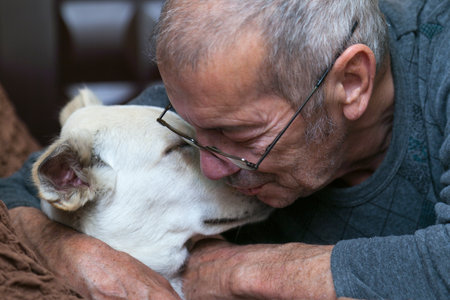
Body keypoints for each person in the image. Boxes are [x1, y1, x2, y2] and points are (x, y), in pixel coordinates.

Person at [1, 0, 449, 299]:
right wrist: (78, 255)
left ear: (351, 83)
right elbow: (18, 192)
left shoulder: (439, 57)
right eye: (193, 129)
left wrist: (236, 271)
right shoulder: (214, 96)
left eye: (240, 135)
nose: (212, 167)